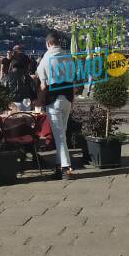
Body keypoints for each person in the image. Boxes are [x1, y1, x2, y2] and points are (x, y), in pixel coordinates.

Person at [37, 31, 76, 180]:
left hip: (54, 101)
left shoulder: (46, 58)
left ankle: (66, 168)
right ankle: (59, 167)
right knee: (62, 134)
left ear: (48, 44)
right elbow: (73, 81)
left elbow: (43, 85)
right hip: (67, 98)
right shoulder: (68, 56)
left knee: (59, 135)